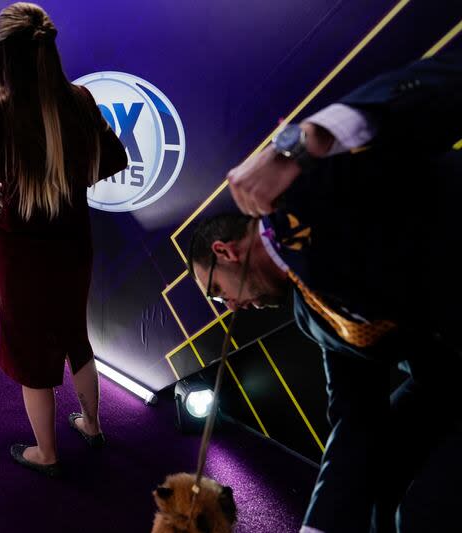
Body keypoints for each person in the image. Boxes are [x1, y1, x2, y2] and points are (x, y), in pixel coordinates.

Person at [188, 51, 462, 533]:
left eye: (217, 294)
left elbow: (433, 88)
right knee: (380, 479)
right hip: (448, 372)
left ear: (225, 251)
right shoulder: (307, 315)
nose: (231, 307)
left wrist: (300, 144)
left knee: (425, 514)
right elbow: (357, 419)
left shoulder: (302, 198)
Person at [0, 3, 128, 476]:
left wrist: (7, 192)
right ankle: (92, 425)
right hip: (74, 239)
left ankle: (46, 453)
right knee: (76, 334)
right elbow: (114, 158)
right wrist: (64, 180)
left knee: (28, 349)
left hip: (25, 251)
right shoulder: (78, 99)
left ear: (0, 55)